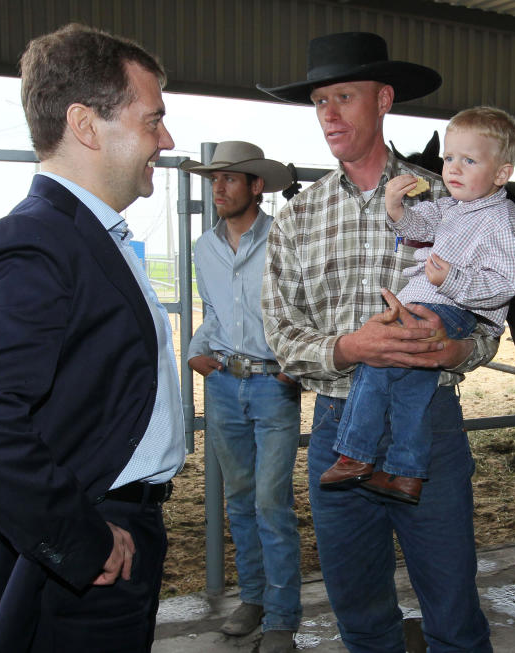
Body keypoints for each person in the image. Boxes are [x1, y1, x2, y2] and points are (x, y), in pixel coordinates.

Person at [0, 23, 185, 653]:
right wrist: (80, 537)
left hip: (112, 531)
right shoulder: (38, 241)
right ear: (87, 125)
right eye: (153, 120)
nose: (166, 139)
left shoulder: (90, 236)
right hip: (90, 549)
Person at [258, 31, 498, 652]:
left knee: (454, 614)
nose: (330, 114)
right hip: (338, 429)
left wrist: (456, 350)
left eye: (344, 96)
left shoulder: (449, 200)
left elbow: (491, 322)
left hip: (429, 427)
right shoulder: (298, 216)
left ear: (384, 99)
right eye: (318, 101)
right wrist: (349, 349)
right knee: (360, 616)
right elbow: (282, 334)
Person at [319, 107, 515, 504]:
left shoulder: (505, 220)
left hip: (451, 308)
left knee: (376, 363)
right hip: (431, 303)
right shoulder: (451, 207)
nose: (453, 169)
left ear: (501, 174)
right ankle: (406, 473)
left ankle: (354, 454)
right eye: (449, 158)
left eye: (469, 160)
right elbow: (418, 228)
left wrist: (450, 278)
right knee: (413, 389)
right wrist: (396, 208)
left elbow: (504, 286)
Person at [179, 141, 301, 653]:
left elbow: (304, 308)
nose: (218, 188)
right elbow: (214, 311)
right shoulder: (203, 248)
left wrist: (295, 367)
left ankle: (281, 615)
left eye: (230, 178)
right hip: (225, 385)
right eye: (214, 180)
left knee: (272, 502)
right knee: (240, 500)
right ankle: (252, 597)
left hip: (274, 386)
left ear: (256, 186)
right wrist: (194, 351)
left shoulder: (285, 240)